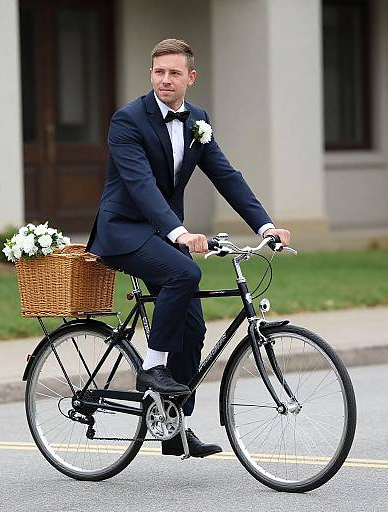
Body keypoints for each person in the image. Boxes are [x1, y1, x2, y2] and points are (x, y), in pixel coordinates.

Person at [86, 38, 290, 458]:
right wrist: (179, 233)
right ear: (151, 74)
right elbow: (141, 187)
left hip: (162, 232)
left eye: (174, 73)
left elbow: (226, 175)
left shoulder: (198, 120)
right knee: (184, 273)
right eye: (159, 72)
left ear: (190, 78)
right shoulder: (127, 121)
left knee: (193, 329)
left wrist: (265, 224)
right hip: (124, 231)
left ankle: (173, 426)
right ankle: (151, 368)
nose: (165, 79)